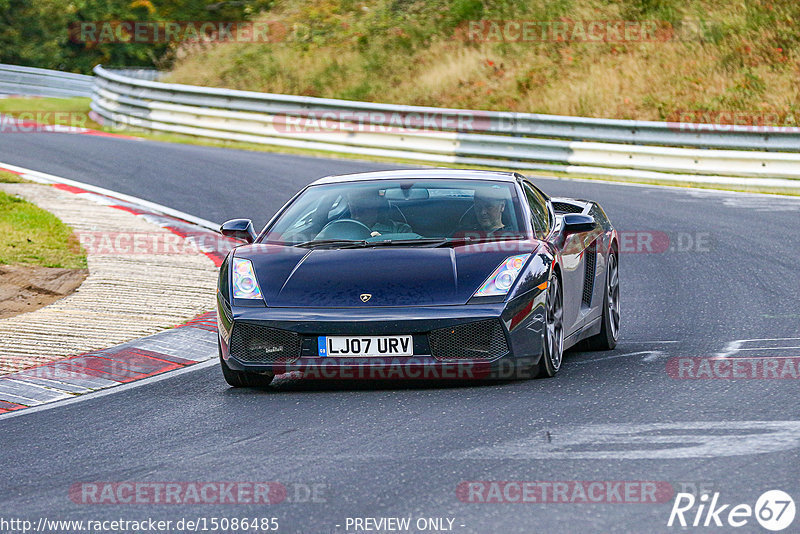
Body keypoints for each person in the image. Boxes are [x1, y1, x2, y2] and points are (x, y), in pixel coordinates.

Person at [347, 189, 412, 237]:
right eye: (353, 206)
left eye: (362, 206)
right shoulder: (341, 227)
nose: (357, 211)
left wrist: (381, 241)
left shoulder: (400, 230)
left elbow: (407, 252)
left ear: (375, 205)